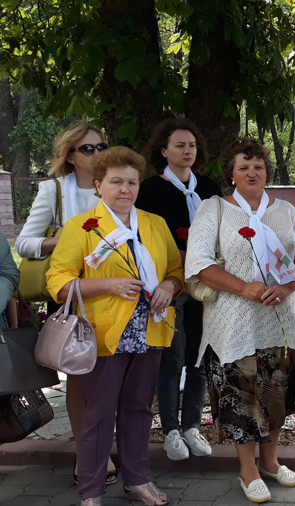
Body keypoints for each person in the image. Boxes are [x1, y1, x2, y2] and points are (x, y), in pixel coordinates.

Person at [184, 139, 295, 504]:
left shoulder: (287, 212)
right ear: (231, 174)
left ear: (267, 173)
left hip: (280, 320)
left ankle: (270, 462)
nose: (252, 172)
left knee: (276, 393)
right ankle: (247, 470)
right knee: (242, 396)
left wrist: (286, 287)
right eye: (244, 167)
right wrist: (244, 288)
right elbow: (199, 263)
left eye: (259, 167)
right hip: (233, 323)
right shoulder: (214, 208)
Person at [46, 146, 184, 506]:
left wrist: (169, 286)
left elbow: (176, 270)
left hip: (150, 330)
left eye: (132, 182)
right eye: (116, 182)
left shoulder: (154, 224)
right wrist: (109, 284)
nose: (125, 189)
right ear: (98, 185)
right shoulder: (81, 227)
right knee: (98, 414)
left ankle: (138, 480)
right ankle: (91, 492)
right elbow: (58, 283)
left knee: (139, 409)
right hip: (103, 335)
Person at [15, 121, 118, 486]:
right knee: (81, 376)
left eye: (101, 146)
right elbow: (24, 243)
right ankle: (88, 454)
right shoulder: (54, 190)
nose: (97, 153)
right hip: (73, 295)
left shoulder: (117, 186)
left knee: (113, 378)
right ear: (71, 156)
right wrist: (67, 241)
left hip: (116, 294)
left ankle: (105, 446)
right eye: (88, 148)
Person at [137, 118, 222, 462]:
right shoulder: (148, 191)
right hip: (168, 285)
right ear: (163, 151)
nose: (188, 151)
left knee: (199, 356)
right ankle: (170, 429)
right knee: (171, 358)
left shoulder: (209, 188)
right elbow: (143, 240)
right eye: (180, 145)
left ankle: (192, 426)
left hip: (205, 284)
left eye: (192, 145)